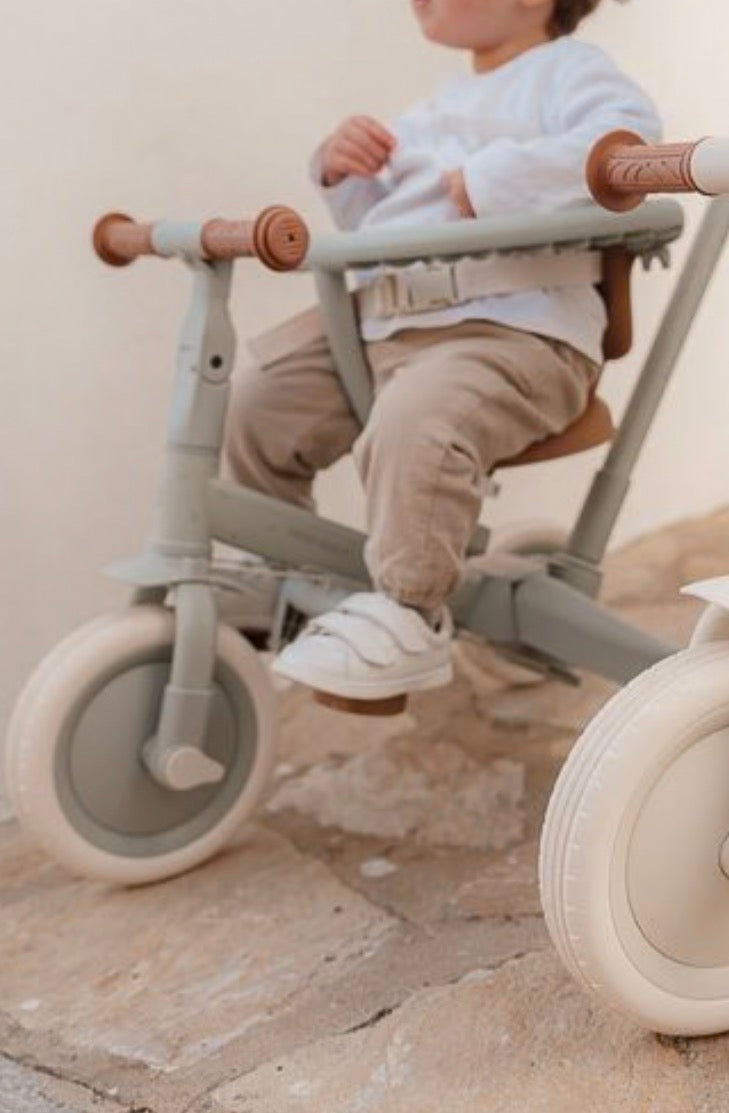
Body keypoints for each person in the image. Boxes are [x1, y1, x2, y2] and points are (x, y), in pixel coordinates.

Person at [224, 0, 660, 702]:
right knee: (255, 402)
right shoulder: (434, 108)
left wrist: (497, 181)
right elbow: (381, 224)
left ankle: (407, 609)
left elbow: (632, 149)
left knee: (415, 425)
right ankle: (288, 585)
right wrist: (345, 171)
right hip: (381, 324)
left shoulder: (570, 72)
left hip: (512, 330)